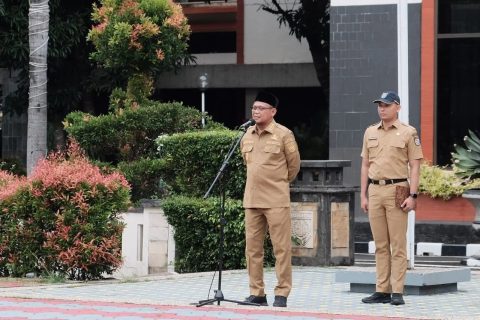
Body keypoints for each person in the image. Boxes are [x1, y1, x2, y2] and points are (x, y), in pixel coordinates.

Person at [360, 91, 423, 306]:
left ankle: (397, 291)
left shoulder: (408, 132)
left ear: (397, 107)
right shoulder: (370, 132)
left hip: (398, 188)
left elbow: (415, 166)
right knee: (380, 244)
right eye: (379, 105)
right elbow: (365, 165)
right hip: (375, 190)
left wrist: (413, 195)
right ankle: (382, 290)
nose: (382, 108)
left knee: (398, 243)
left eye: (386, 105)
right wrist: (363, 194)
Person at [240, 91, 301, 308]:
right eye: (254, 108)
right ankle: (257, 293)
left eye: (260, 108)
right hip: (252, 200)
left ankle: (282, 292)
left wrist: (278, 183)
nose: (256, 111)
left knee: (281, 248)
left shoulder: (284, 134)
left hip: (276, 200)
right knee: (253, 249)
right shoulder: (246, 134)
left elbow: (293, 166)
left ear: (273, 111)